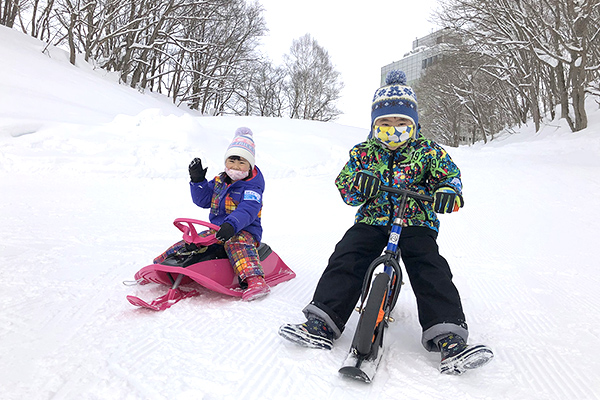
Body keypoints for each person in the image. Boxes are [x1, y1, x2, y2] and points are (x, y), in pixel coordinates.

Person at [278, 70, 493, 374]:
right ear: (374, 125)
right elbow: (346, 186)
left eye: (402, 123)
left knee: (429, 265)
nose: (394, 130)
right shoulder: (364, 153)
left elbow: (450, 177)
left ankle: (448, 336)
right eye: (386, 124)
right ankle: (322, 322)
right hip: (374, 218)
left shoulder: (428, 151)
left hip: (416, 220)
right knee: (348, 255)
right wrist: (359, 183)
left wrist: (447, 191)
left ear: (414, 124)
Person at [154, 127, 269, 301]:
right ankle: (161, 266)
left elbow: (248, 210)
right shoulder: (220, 182)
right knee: (193, 241)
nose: (236, 166)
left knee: (236, 243)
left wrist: (231, 224)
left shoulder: (253, 188)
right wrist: (197, 181)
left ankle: (255, 280)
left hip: (243, 231)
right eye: (232, 160)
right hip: (217, 229)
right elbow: (203, 200)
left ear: (250, 165)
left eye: (242, 162)